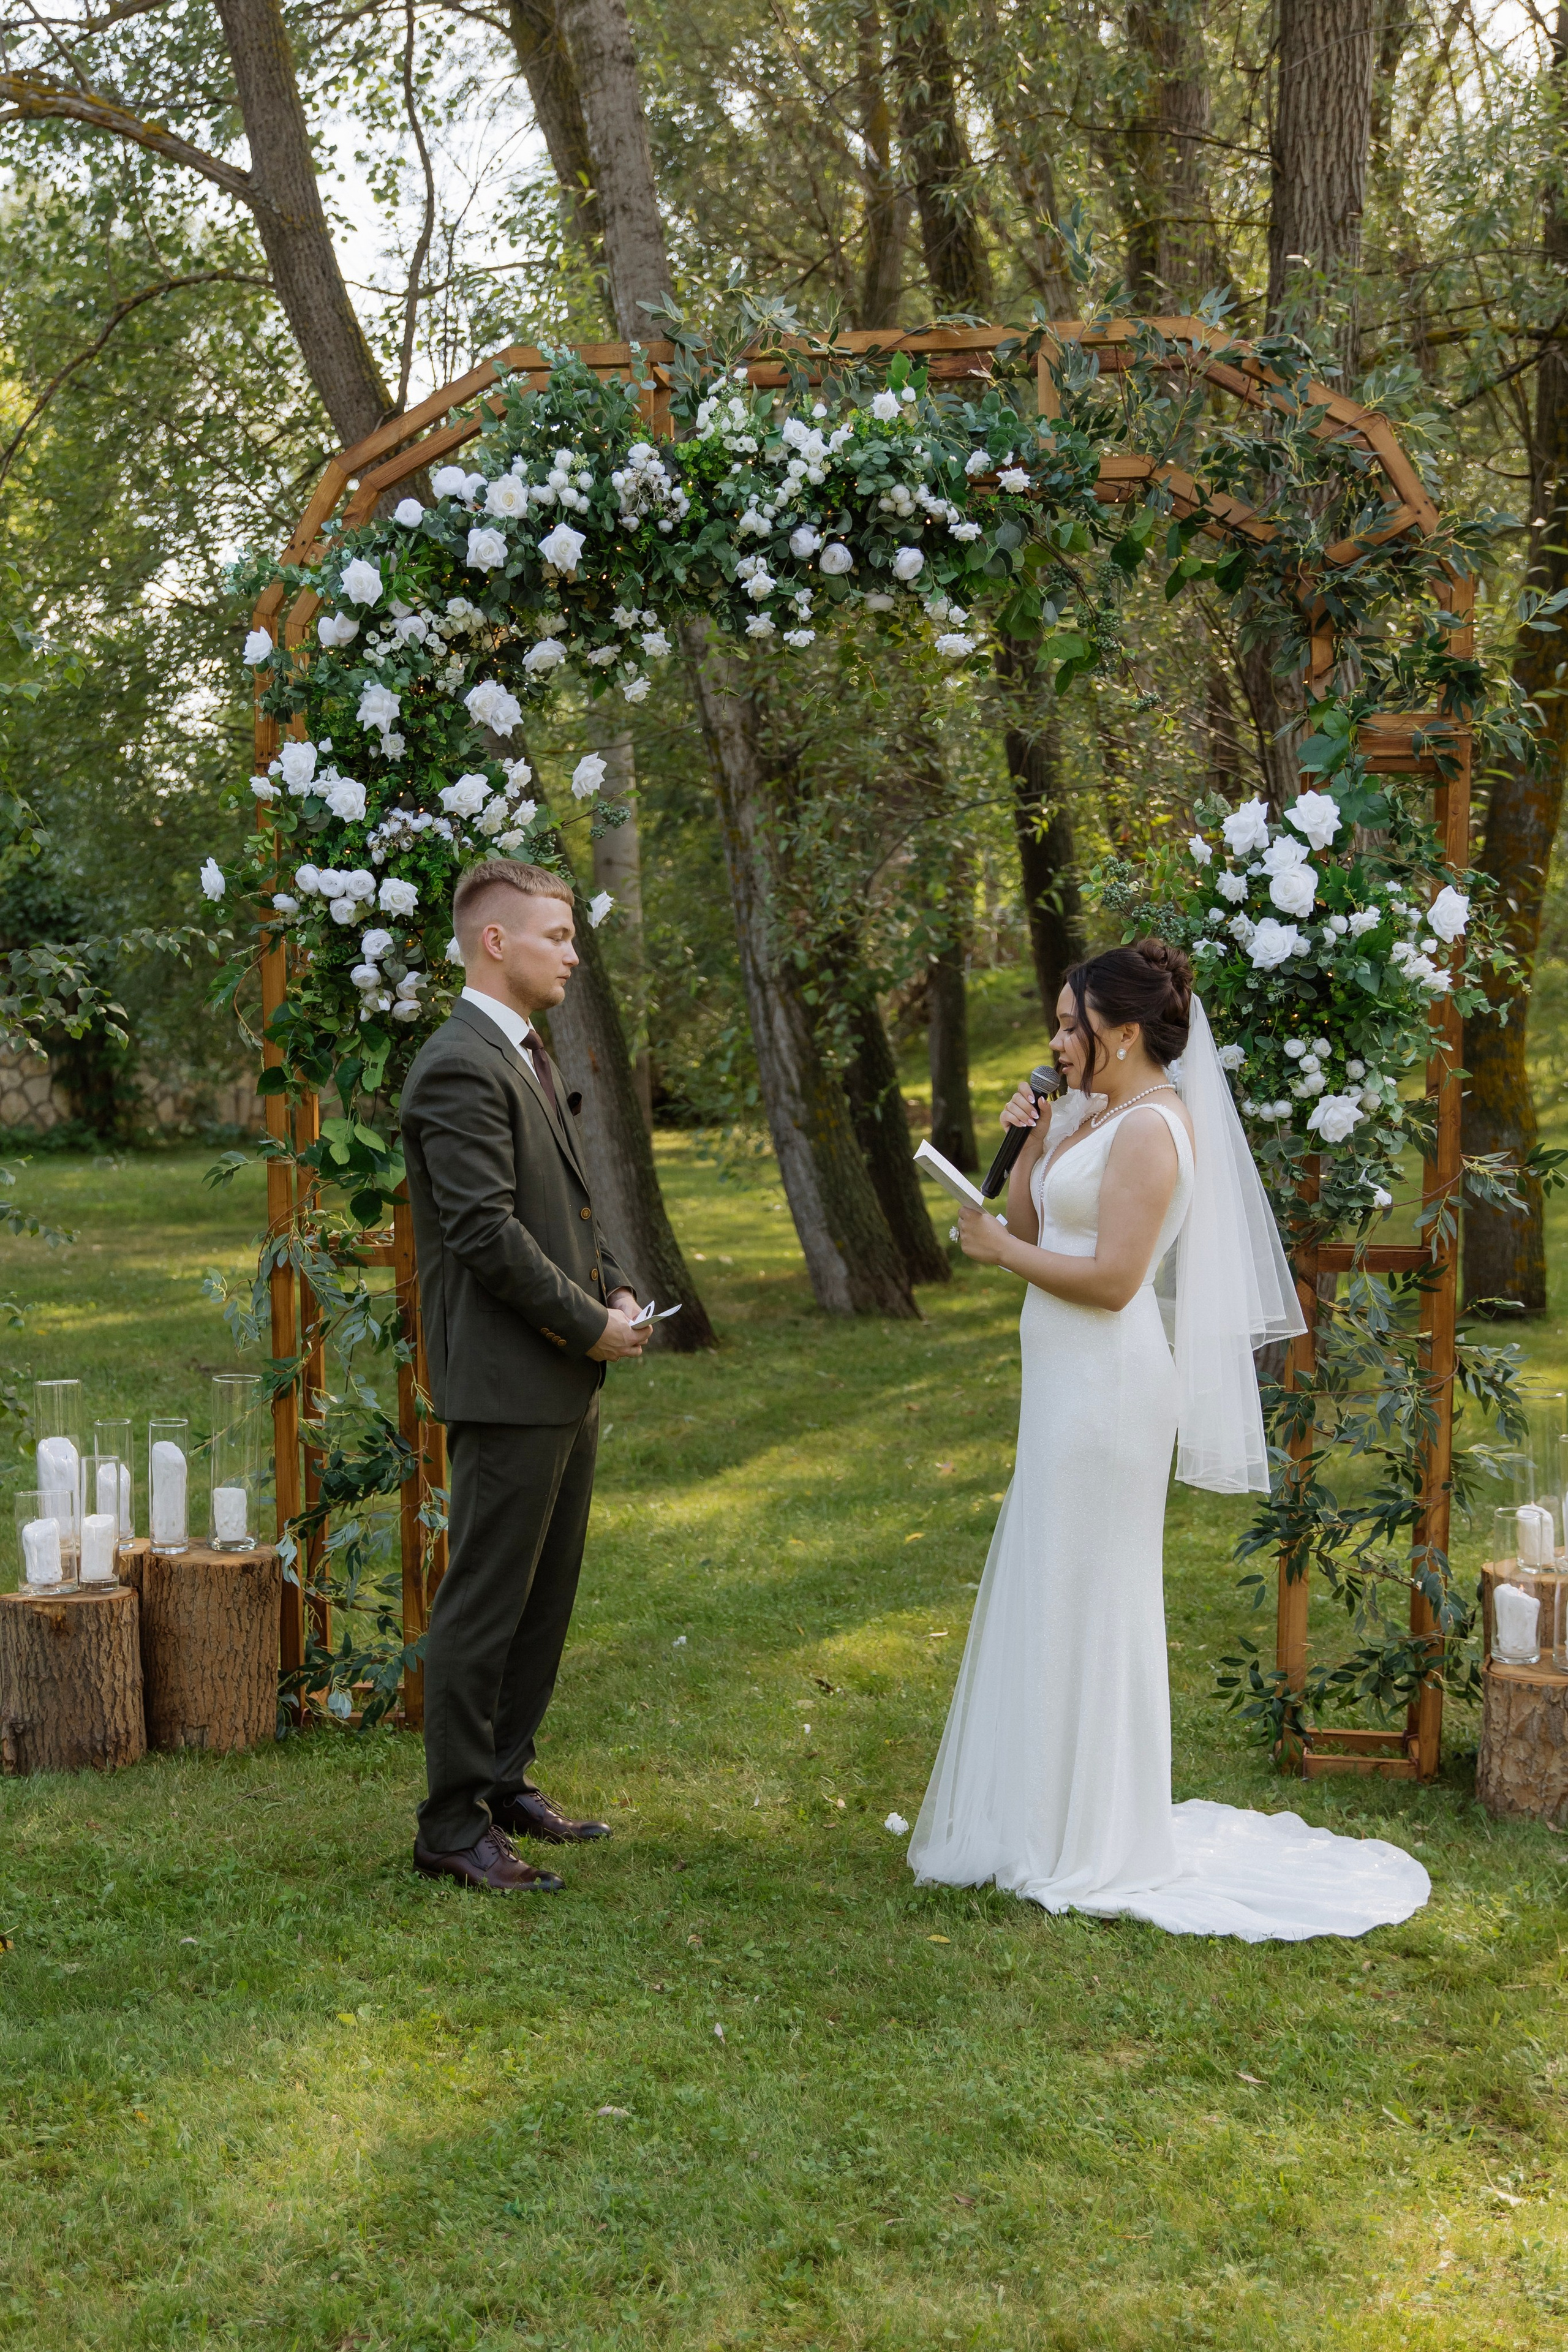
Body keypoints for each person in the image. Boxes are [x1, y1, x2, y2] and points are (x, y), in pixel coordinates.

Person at [908, 938, 1430, 1942]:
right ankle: (1036, 1813)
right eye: (1060, 1025)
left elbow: (1110, 1281)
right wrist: (1027, 1143)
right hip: (1060, 1385)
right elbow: (1033, 1221)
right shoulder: (1093, 1114)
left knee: (1092, 1591)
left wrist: (1002, 1250)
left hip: (1109, 1392)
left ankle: (1095, 1829)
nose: (1059, 1042)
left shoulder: (1154, 1130)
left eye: (1073, 1026)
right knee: (1050, 1581)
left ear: (1126, 1032)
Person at [400, 858, 649, 1893]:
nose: (573, 953)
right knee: (486, 1599)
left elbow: (568, 1205)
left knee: (544, 1594)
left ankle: (504, 1780)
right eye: (557, 936)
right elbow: (484, 1233)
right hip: (510, 1374)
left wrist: (621, 1290)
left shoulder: (523, 1051)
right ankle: (451, 1825)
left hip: (559, 1371)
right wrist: (587, 1324)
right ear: (495, 942)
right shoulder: (459, 1064)